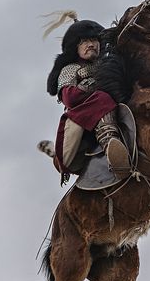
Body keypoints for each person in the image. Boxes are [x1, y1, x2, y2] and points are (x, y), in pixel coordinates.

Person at [43, 11, 131, 183]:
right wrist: (97, 87)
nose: (90, 45)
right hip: (83, 121)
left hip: (117, 110)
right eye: (84, 42)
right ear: (75, 47)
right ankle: (111, 146)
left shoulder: (110, 65)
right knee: (103, 98)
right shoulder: (70, 69)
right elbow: (70, 98)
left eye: (93, 40)